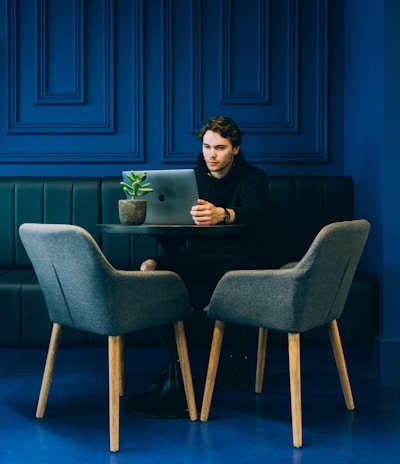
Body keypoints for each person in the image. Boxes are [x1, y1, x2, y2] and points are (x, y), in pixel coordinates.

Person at [141, 115, 269, 391]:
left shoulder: (254, 178)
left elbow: (257, 214)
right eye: (207, 146)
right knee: (151, 269)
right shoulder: (190, 179)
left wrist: (223, 214)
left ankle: (238, 357)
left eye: (220, 147)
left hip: (238, 257)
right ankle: (175, 361)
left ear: (235, 149)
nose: (212, 154)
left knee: (237, 275)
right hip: (198, 255)